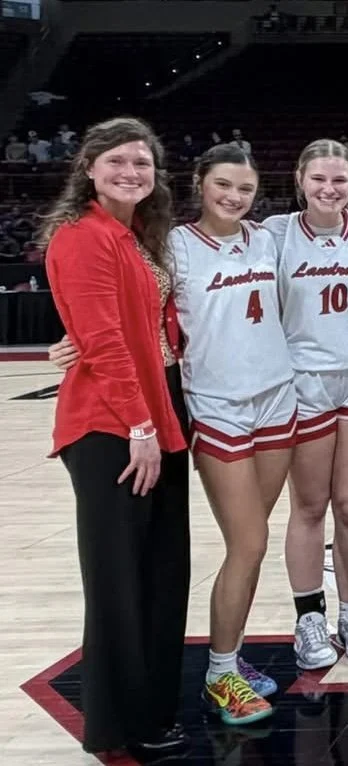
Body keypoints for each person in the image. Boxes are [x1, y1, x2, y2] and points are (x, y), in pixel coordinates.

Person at [49, 143, 295, 725]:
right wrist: (76, 343)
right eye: (223, 186)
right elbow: (132, 307)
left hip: (279, 399)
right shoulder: (172, 245)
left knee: (253, 545)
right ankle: (220, 674)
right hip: (215, 406)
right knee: (249, 543)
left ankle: (230, 657)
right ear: (198, 184)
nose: (234, 197)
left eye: (245, 189)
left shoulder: (270, 238)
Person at [42, 116, 191, 759]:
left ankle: (152, 712)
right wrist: (139, 427)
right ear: (89, 168)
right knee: (117, 582)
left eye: (142, 164)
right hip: (112, 426)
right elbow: (104, 341)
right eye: (117, 161)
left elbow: (150, 329)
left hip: (159, 415)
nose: (130, 172)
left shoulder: (135, 237)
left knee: (160, 574)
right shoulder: (82, 236)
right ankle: (112, 722)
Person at [264, 139, 348, 670]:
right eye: (319, 178)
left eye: (339, 179)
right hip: (305, 381)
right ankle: (309, 615)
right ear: (300, 178)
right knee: (310, 506)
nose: (329, 188)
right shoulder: (274, 232)